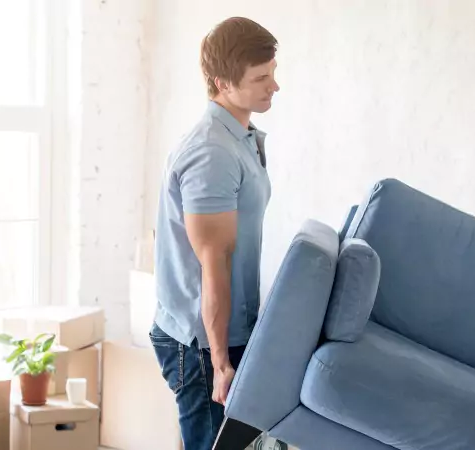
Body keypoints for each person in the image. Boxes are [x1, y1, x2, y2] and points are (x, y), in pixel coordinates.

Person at [150, 16, 279, 450]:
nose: (274, 86)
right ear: (222, 83)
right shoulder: (211, 155)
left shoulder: (241, 138)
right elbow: (214, 265)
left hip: (226, 332)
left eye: (273, 73)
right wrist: (221, 363)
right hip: (203, 343)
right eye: (260, 78)